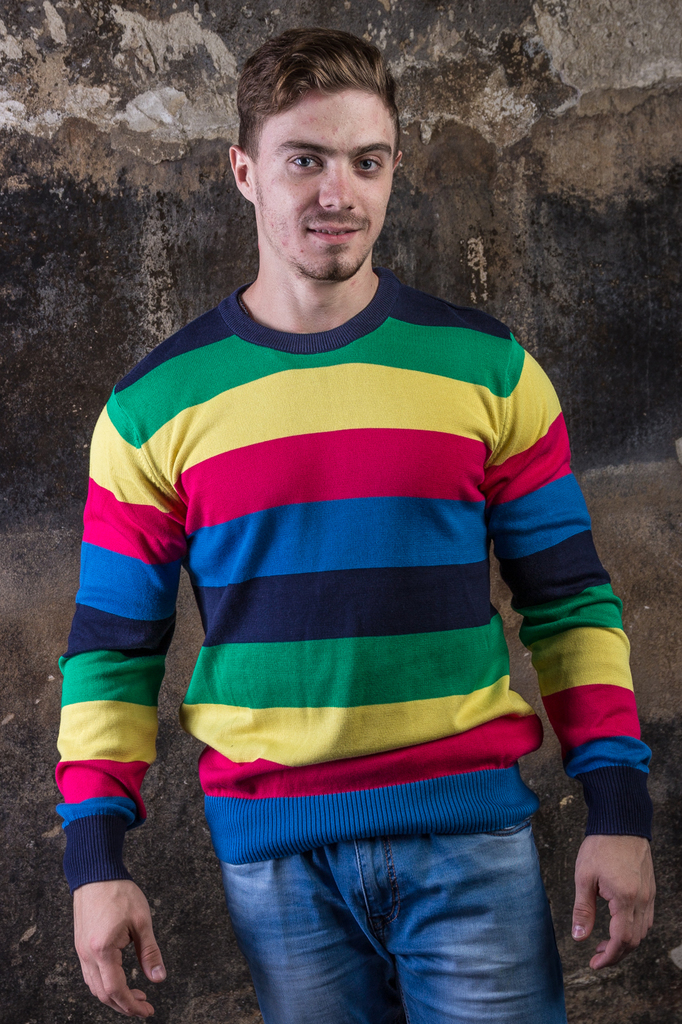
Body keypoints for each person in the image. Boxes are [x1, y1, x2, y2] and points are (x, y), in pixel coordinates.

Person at [56, 27, 655, 1024]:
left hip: (471, 839)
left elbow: (570, 603)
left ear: (393, 171)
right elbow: (112, 650)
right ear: (243, 171)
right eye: (305, 160)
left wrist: (619, 806)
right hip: (275, 865)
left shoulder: (491, 371)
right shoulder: (151, 408)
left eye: (366, 162)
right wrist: (94, 861)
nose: (338, 192)